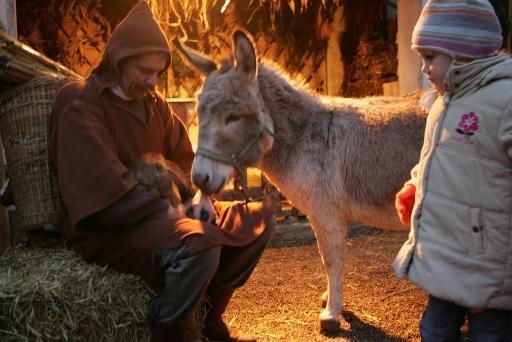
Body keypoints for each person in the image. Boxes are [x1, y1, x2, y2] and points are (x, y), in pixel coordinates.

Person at [48, 2, 275, 341]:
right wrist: (173, 210)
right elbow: (104, 187)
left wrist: (201, 198)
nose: (153, 80)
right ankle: (167, 330)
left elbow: (184, 158)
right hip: (112, 225)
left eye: (158, 71)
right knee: (202, 243)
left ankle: (208, 321)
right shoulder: (80, 102)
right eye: (144, 70)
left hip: (165, 216)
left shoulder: (155, 105)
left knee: (257, 221)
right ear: (120, 60)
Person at [393, 0, 512, 341]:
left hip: (486, 263)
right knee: (433, 330)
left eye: (430, 58)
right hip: (444, 254)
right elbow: (436, 158)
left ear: (463, 53)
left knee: (489, 334)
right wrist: (416, 184)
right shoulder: (443, 101)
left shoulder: (505, 99)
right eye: (421, 59)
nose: (424, 69)